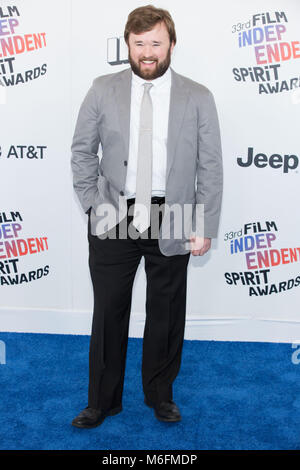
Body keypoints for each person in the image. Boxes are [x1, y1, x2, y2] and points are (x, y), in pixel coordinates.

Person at [71, 4, 223, 428]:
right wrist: (91, 204)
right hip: (112, 212)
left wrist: (204, 225)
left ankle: (161, 396)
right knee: (109, 311)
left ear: (171, 44)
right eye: (139, 44)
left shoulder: (198, 96)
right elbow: (82, 151)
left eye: (156, 42)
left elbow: (210, 166)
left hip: (173, 211)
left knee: (167, 311)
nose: (148, 52)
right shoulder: (102, 88)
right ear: (128, 46)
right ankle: (101, 401)